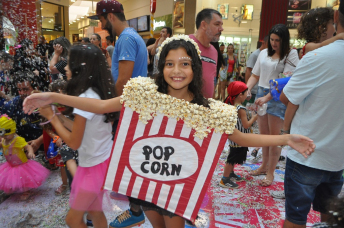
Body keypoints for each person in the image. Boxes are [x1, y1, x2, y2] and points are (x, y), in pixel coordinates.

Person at [24, 35, 315, 228]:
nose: (177, 71)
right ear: (161, 66)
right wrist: (54, 97)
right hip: (146, 184)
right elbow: (100, 107)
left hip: (179, 190)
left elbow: (239, 137)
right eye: (170, 64)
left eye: (185, 64)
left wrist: (286, 138)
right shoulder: (143, 93)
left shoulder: (209, 109)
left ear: (195, 69)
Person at [278, 3, 344, 227]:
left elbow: (287, 99)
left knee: (295, 218)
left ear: (336, 16)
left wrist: (286, 131)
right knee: (332, 217)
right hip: (337, 156)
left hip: (306, 151)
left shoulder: (317, 56)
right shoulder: (314, 50)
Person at [39, 44, 117, 227]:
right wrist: (59, 117)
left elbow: (74, 142)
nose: (65, 68)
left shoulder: (85, 99)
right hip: (102, 161)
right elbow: (83, 128)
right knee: (95, 213)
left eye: (69, 63)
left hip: (93, 167)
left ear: (80, 68)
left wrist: (52, 118)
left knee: (72, 219)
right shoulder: (96, 92)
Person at [88, 0, 148, 226]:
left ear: (111, 16)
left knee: (127, 159)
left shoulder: (126, 39)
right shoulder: (133, 36)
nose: (102, 26)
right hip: (134, 107)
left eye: (102, 20)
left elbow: (123, 80)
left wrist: (109, 106)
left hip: (129, 108)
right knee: (129, 158)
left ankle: (135, 212)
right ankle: (134, 201)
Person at [246, 24, 299, 187]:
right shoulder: (263, 53)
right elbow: (255, 75)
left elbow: (287, 79)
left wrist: (268, 97)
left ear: (284, 41)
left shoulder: (291, 54)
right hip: (262, 92)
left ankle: (270, 172)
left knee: (275, 138)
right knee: (264, 136)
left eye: (278, 40)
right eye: (272, 40)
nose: (274, 43)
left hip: (277, 95)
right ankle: (263, 166)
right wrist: (246, 89)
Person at [0, 115, 50, 201]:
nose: (4, 137)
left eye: (6, 135)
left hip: (21, 164)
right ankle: (12, 187)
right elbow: (3, 145)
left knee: (23, 178)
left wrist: (30, 152)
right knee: (11, 178)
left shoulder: (17, 140)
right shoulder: (4, 140)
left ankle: (26, 191)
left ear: (12, 130)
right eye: (2, 134)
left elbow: (27, 146)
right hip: (10, 164)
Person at [219, 81, 258, 189]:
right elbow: (246, 125)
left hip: (233, 138)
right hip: (239, 138)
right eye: (246, 93)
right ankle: (224, 179)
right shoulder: (241, 109)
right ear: (240, 95)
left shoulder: (231, 105)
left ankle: (230, 174)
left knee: (233, 156)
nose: (248, 95)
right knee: (232, 159)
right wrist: (254, 118)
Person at [2, 72, 43, 153]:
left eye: (25, 89)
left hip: (46, 144)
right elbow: (3, 129)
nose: (22, 93)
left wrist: (39, 141)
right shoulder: (12, 105)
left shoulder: (47, 102)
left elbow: (56, 127)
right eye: (19, 90)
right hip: (22, 147)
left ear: (36, 88)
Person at [189, 8, 223, 99]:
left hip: (205, 107)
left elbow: (211, 80)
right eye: (217, 24)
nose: (221, 29)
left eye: (221, 25)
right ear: (203, 25)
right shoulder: (185, 43)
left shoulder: (214, 51)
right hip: (186, 107)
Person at [245, 35, 269, 103]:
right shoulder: (255, 54)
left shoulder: (267, 54)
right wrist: (247, 88)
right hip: (254, 88)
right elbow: (248, 70)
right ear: (263, 43)